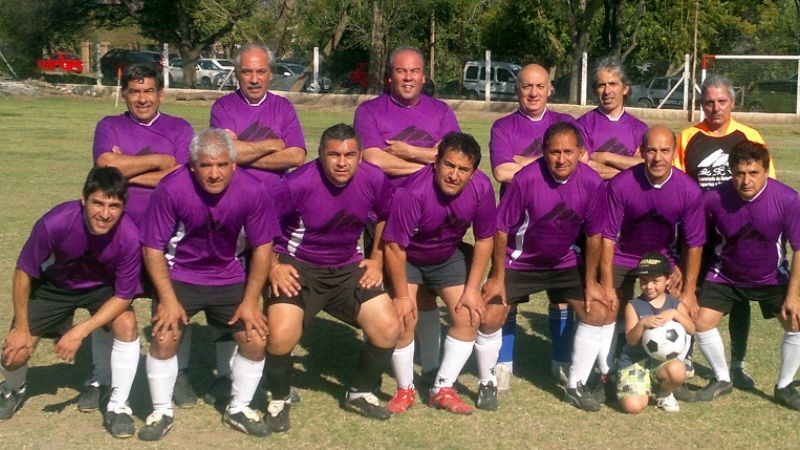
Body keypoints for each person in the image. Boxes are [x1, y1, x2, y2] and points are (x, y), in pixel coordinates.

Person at [138, 128, 280, 441]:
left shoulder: (253, 191)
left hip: (229, 277)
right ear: (192, 166)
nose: (214, 174)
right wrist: (168, 299)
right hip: (180, 276)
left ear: (233, 164)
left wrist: (250, 302)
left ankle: (239, 408)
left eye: (221, 165)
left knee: (255, 338)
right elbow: (152, 248)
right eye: (205, 165)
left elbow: (262, 249)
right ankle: (161, 410)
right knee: (163, 336)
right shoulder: (171, 188)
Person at [263, 124, 400, 430]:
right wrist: (273, 265)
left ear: (361, 155)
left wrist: (376, 259)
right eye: (334, 155)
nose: (342, 162)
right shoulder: (295, 183)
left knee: (389, 327)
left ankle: (360, 393)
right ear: (320, 155)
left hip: (347, 266)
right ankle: (279, 398)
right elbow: (259, 222)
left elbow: (385, 215)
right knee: (280, 335)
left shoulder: (373, 178)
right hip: (298, 266)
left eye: (350, 154)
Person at [0, 168, 142, 438]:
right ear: (83, 200)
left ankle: (118, 405)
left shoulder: (129, 236)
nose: (104, 213)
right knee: (13, 353)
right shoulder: (55, 222)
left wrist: (80, 331)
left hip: (100, 289)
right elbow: (23, 272)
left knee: (127, 323)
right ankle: (13, 390)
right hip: (54, 287)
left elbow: (124, 295)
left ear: (123, 207)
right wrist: (21, 326)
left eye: (114, 206)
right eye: (98, 203)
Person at [480, 122, 609, 412]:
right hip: (521, 261)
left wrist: (591, 282)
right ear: (543, 152)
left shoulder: (593, 182)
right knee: (489, 315)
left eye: (568, 152)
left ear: (581, 153)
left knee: (597, 310)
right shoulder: (525, 179)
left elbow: (594, 235)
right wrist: (498, 276)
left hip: (565, 262)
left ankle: (576, 384)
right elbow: (501, 229)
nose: (561, 159)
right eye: (554, 152)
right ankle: (487, 381)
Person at [90, 63, 197, 410]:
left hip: (169, 236)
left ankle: (178, 371)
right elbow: (104, 167)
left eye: (149, 91)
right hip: (119, 236)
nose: (142, 98)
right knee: (111, 308)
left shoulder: (179, 128)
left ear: (160, 94)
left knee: (174, 306)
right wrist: (158, 163)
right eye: (134, 92)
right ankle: (100, 377)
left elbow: (181, 175)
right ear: (124, 94)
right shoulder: (109, 125)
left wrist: (126, 170)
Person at [354, 45, 460, 382]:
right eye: (401, 71)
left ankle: (429, 366)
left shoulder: (441, 111)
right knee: (392, 294)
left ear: (424, 76)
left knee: (425, 294)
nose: (408, 77)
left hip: (432, 216)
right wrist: (431, 159)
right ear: (390, 76)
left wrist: (409, 151)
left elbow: (455, 157)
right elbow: (373, 158)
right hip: (383, 217)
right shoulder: (370, 111)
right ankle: (390, 362)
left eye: (414, 71)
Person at [208, 43, 307, 404]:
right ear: (237, 73)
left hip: (276, 215)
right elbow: (222, 153)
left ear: (270, 72)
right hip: (230, 214)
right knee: (230, 291)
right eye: (247, 71)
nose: (253, 78)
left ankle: (270, 372)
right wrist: (272, 144)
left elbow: (297, 154)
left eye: (260, 71)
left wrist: (245, 151)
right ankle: (225, 373)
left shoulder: (283, 106)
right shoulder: (223, 107)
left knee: (271, 291)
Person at [488, 64, 588, 389]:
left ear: (550, 89)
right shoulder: (503, 126)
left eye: (539, 86)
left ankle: (560, 360)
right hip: (519, 231)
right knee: (507, 299)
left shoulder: (566, 122)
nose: (533, 92)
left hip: (563, 228)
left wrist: (524, 162)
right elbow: (502, 172)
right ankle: (503, 361)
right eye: (526, 86)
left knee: (562, 298)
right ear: (517, 90)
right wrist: (548, 164)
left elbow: (582, 162)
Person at [382, 132, 496, 415]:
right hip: (409, 258)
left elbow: (484, 239)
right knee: (403, 319)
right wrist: (401, 296)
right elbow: (394, 247)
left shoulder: (482, 188)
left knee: (469, 315)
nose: (454, 175)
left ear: (473, 172)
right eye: (449, 165)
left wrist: (473, 288)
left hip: (447, 257)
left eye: (463, 169)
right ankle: (404, 389)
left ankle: (442, 388)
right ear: (436, 162)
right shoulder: (411, 193)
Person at [674, 74, 775, 389]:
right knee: (690, 293)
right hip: (698, 233)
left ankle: (738, 363)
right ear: (701, 104)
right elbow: (679, 185)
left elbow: (766, 186)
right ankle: (685, 355)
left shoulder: (749, 136)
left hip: (737, 233)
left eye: (722, 102)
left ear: (732, 102)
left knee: (740, 298)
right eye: (709, 102)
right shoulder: (689, 136)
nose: (715, 108)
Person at [692, 141, 800, 408]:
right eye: (739, 173)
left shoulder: (788, 199)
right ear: (731, 172)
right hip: (724, 276)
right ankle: (722, 378)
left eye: (753, 173)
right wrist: (690, 283)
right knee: (699, 321)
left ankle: (784, 386)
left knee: (796, 323)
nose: (746, 180)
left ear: (766, 170)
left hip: (771, 277)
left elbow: (799, 249)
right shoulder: (712, 199)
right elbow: (696, 242)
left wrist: (794, 296)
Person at [599, 126, 705, 397]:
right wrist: (609, 283)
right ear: (641, 152)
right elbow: (608, 237)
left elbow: (694, 243)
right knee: (606, 305)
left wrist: (690, 291)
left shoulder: (688, 190)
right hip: (624, 253)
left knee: (681, 300)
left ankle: (677, 367)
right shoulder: (622, 184)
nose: (658, 157)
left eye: (665, 150)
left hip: (662, 257)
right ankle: (606, 370)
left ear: (674, 153)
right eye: (652, 150)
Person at [616, 252, 695, 414]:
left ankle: (663, 393)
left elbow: (692, 329)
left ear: (668, 280)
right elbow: (631, 340)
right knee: (634, 407)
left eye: (655, 281)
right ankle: (636, 384)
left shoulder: (675, 305)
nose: (649, 286)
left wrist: (675, 314)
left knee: (678, 371)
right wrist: (643, 323)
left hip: (662, 363)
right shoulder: (633, 306)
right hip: (635, 362)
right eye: (644, 281)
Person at [578, 57, 648, 180]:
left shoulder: (640, 129)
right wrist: (628, 169)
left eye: (613, 84)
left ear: (625, 89)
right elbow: (583, 166)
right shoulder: (582, 124)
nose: (607, 91)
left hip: (627, 196)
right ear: (595, 90)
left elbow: (645, 166)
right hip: (595, 196)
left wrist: (605, 157)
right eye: (601, 85)